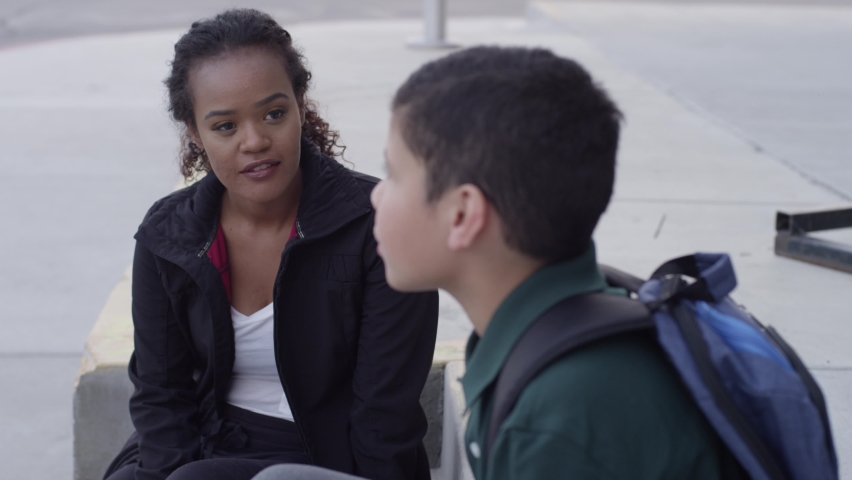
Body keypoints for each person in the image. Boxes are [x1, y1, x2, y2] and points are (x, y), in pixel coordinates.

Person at [367, 46, 750, 479]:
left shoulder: (558, 418)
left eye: (394, 174)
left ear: (462, 215)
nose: (376, 194)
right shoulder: (555, 324)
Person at [102, 9, 438, 480]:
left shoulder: (381, 226)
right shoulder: (168, 235)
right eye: (225, 127)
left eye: (274, 113)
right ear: (195, 132)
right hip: (205, 443)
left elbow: (385, 413)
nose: (255, 141)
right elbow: (162, 395)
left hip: (327, 454)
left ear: (301, 104)